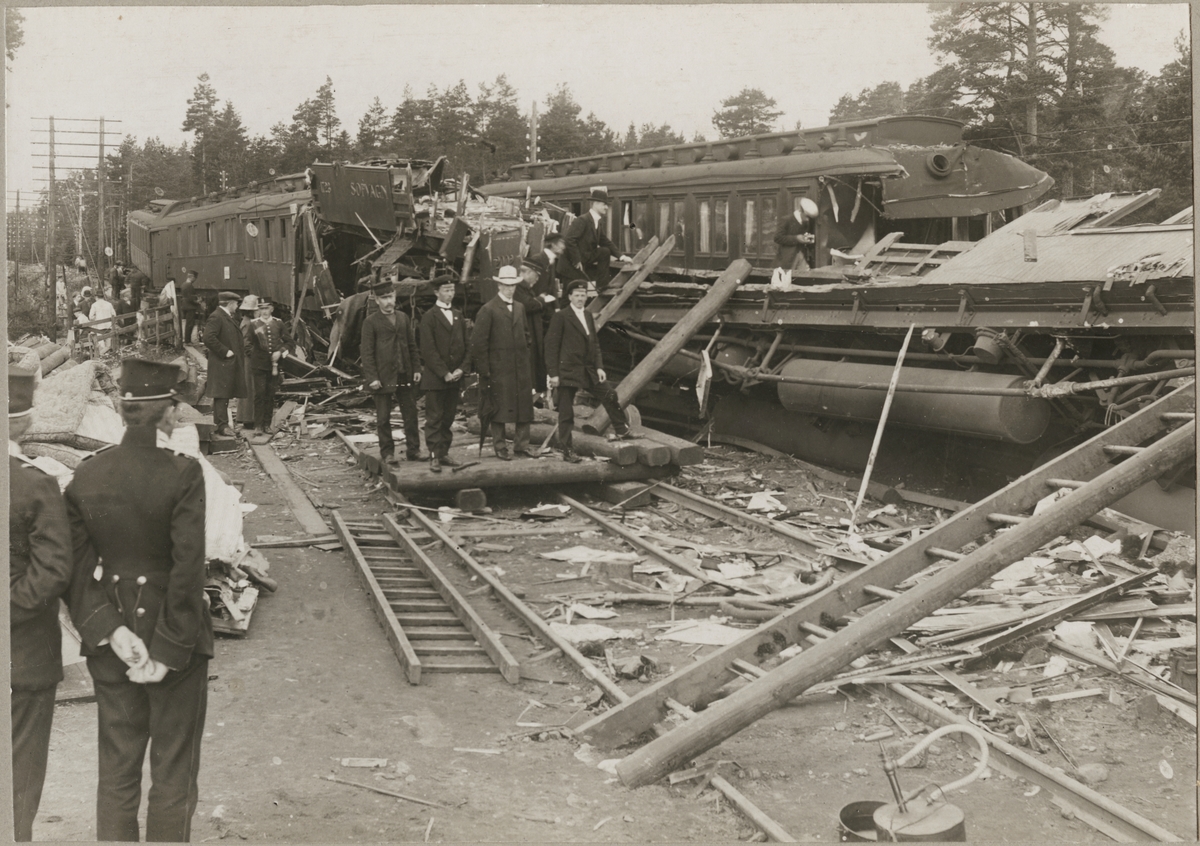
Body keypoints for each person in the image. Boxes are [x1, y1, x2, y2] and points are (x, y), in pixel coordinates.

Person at [65, 358, 212, 843]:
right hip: (176, 641)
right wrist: (167, 650)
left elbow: (76, 570)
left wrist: (110, 629)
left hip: (112, 642)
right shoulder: (184, 473)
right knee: (173, 771)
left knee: (117, 769)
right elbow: (188, 568)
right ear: (168, 412)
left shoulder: (87, 474)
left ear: (123, 410)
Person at [8, 369, 75, 842]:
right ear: (25, 421)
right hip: (25, 654)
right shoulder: (35, 484)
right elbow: (52, 572)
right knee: (20, 769)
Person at [544, 278, 634, 463]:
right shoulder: (561, 317)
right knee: (566, 412)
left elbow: (595, 344)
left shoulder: (587, 315)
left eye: (583, 295)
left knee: (609, 394)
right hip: (567, 371)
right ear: (570, 297)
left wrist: (599, 367)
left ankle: (622, 429)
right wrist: (553, 374)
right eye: (577, 295)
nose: (580, 298)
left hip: (588, 369)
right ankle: (566, 449)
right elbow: (551, 346)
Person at [470, 265, 534, 460]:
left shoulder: (520, 307)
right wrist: (485, 371)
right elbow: (479, 343)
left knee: (523, 407)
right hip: (498, 369)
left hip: (520, 367)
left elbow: (526, 335)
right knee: (498, 408)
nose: (510, 289)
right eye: (506, 285)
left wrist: (524, 355)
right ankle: (500, 447)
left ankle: (521, 446)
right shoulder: (488, 309)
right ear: (499, 286)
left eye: (513, 285)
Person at [361, 278, 423, 464]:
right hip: (383, 377)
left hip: (404, 374)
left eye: (390, 296)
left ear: (395, 296)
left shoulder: (403, 318)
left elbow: (412, 345)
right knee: (383, 418)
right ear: (377, 300)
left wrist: (416, 368)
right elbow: (367, 353)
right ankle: (387, 453)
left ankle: (414, 450)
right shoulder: (371, 322)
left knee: (410, 415)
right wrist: (372, 377)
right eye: (384, 298)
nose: (388, 301)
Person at [419, 277, 468, 473]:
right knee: (434, 419)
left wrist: (461, 369)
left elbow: (467, 346)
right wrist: (444, 372)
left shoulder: (458, 316)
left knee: (448, 418)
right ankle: (434, 456)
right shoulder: (429, 317)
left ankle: (444, 453)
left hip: (454, 378)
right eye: (446, 290)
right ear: (436, 293)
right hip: (436, 379)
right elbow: (428, 350)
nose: (450, 294)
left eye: (452, 290)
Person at [202, 291, 249, 437]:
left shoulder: (225, 316)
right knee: (222, 394)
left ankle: (221, 424)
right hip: (222, 362)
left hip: (226, 363)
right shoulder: (217, 316)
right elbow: (208, 338)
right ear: (230, 303)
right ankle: (222, 426)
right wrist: (225, 351)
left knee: (224, 393)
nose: (237, 307)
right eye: (236, 304)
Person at [564, 187, 630, 287]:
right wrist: (577, 260)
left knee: (605, 251)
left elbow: (605, 242)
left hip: (585, 258)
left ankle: (602, 285)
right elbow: (569, 240)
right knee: (572, 291)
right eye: (604, 204)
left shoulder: (597, 222)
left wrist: (622, 257)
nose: (606, 207)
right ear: (595, 204)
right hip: (571, 263)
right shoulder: (582, 220)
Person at [246, 298, 291, 443]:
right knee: (259, 394)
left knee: (270, 394)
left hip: (274, 366)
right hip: (259, 365)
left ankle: (267, 424)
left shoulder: (278, 323)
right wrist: (255, 356)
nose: (264, 311)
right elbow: (247, 344)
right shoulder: (253, 324)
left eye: (266, 308)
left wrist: (280, 352)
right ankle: (258, 425)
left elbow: (289, 342)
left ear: (272, 309)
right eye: (261, 308)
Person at [515, 260, 554, 392]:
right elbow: (528, 305)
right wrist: (541, 299)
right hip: (527, 332)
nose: (537, 279)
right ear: (528, 272)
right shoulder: (518, 287)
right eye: (536, 275)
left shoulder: (525, 288)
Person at [773, 197, 819, 273]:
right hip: (787, 259)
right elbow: (777, 237)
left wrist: (808, 239)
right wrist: (796, 238)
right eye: (806, 216)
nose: (808, 220)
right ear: (801, 211)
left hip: (802, 257)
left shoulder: (807, 222)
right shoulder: (787, 220)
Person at [236, 295, 260, 433]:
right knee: (250, 387)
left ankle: (247, 417)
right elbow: (246, 344)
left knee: (249, 387)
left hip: (249, 358)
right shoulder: (248, 323)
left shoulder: (248, 321)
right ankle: (248, 418)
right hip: (250, 360)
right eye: (257, 310)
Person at [89, 289, 118, 356]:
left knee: (101, 343)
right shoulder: (109, 304)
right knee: (108, 343)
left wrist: (96, 317)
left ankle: (100, 355)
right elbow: (114, 315)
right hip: (109, 326)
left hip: (99, 327)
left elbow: (91, 317)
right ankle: (106, 355)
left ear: (96, 297)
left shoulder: (94, 305)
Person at [178, 270, 200, 347]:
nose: (195, 280)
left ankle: (186, 339)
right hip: (190, 307)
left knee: (188, 323)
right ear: (192, 277)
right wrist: (198, 302)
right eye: (195, 278)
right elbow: (191, 298)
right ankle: (187, 341)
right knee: (190, 324)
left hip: (184, 305)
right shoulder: (189, 286)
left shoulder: (183, 284)